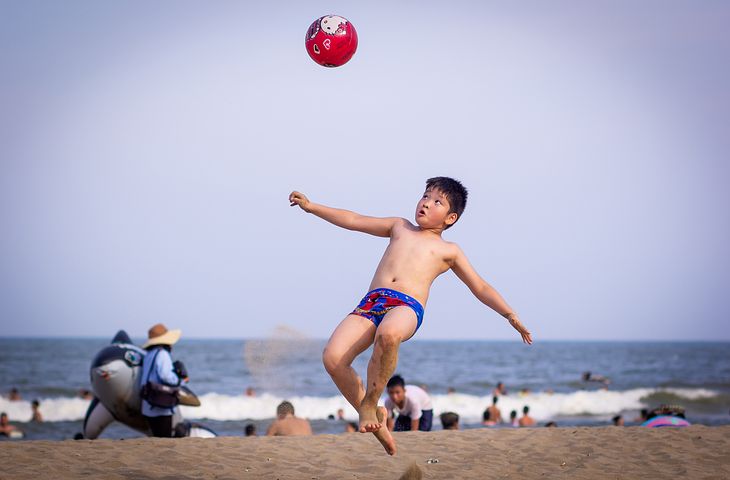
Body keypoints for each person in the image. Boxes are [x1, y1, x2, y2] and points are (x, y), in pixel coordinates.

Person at [289, 177, 532, 455]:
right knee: (332, 357)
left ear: (451, 218)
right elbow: (354, 219)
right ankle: (376, 421)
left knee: (389, 334)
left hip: (406, 306)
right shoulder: (399, 226)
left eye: (437, 201)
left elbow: (480, 286)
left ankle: (370, 402)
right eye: (425, 196)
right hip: (371, 303)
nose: (426, 203)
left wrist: (509, 314)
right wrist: (311, 207)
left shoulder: (448, 250)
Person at [139, 323, 186, 438]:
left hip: (148, 404)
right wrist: (179, 380)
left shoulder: (149, 354)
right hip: (160, 405)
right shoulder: (162, 354)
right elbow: (165, 376)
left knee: (156, 437)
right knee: (164, 439)